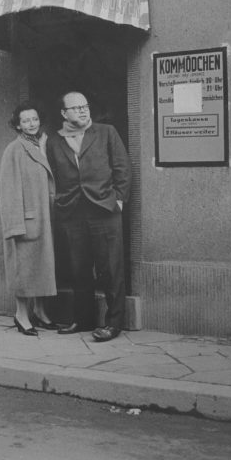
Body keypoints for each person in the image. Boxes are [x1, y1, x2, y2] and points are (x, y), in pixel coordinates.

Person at [46, 91, 132, 342]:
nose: (83, 111)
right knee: (78, 269)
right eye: (76, 108)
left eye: (85, 106)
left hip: (104, 209)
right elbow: (52, 175)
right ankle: (83, 320)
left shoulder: (106, 132)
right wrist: (60, 203)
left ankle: (114, 324)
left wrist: (118, 200)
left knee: (110, 270)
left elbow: (122, 168)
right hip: (72, 212)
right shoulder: (55, 141)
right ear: (64, 113)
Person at [0, 102, 58, 336]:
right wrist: (14, 225)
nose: (31, 124)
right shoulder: (14, 149)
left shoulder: (39, 145)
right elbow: (8, 190)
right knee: (24, 271)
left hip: (44, 219)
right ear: (17, 124)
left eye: (34, 119)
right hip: (26, 220)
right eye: (25, 121)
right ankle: (21, 315)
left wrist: (43, 150)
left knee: (42, 268)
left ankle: (40, 312)